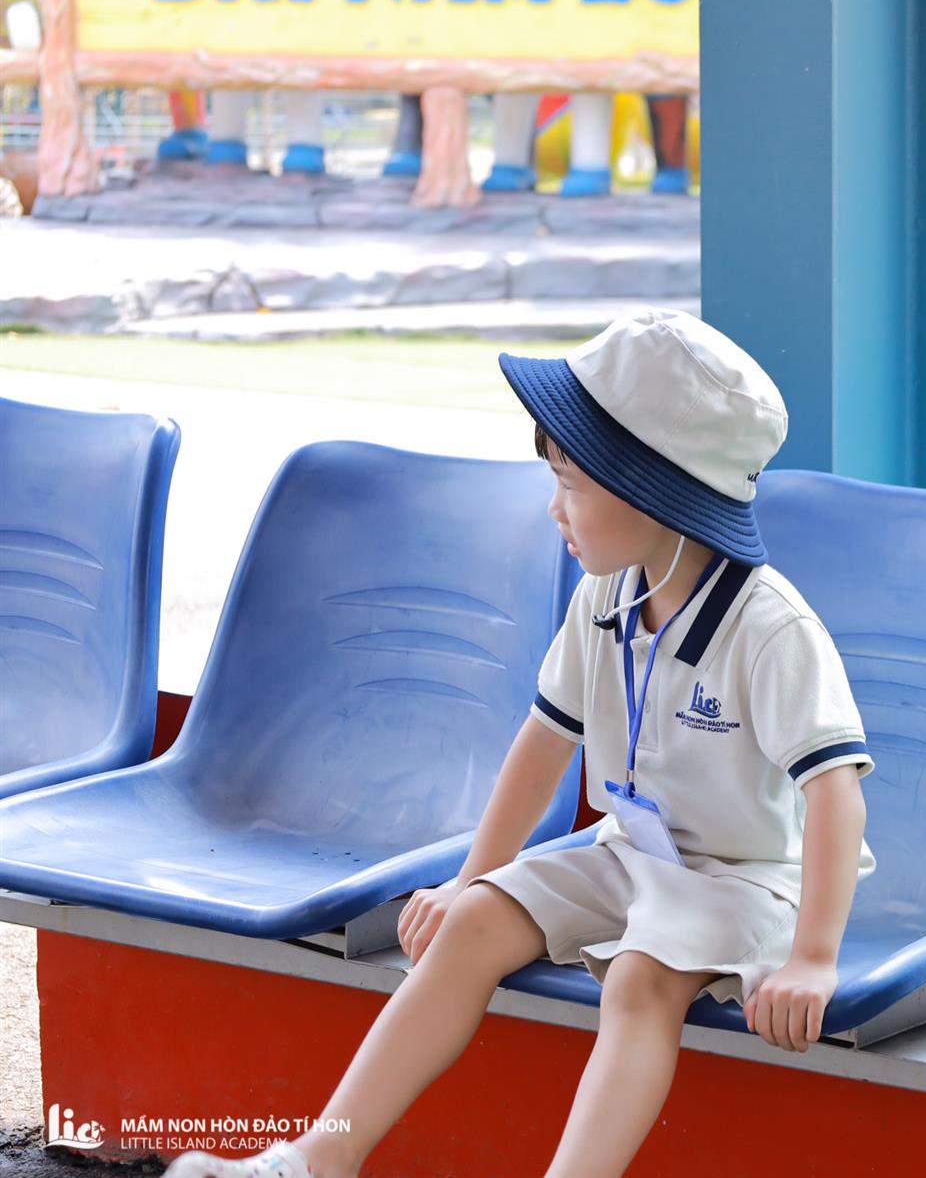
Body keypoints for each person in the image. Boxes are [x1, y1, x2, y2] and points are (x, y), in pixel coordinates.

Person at [168, 308, 876, 1178]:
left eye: (571, 482)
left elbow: (835, 790)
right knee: (472, 922)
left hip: (746, 879)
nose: (553, 507)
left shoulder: (770, 628)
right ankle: (319, 1158)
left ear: (652, 490)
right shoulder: (606, 596)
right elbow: (543, 742)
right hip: (628, 855)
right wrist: (473, 877)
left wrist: (812, 958)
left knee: (641, 977)